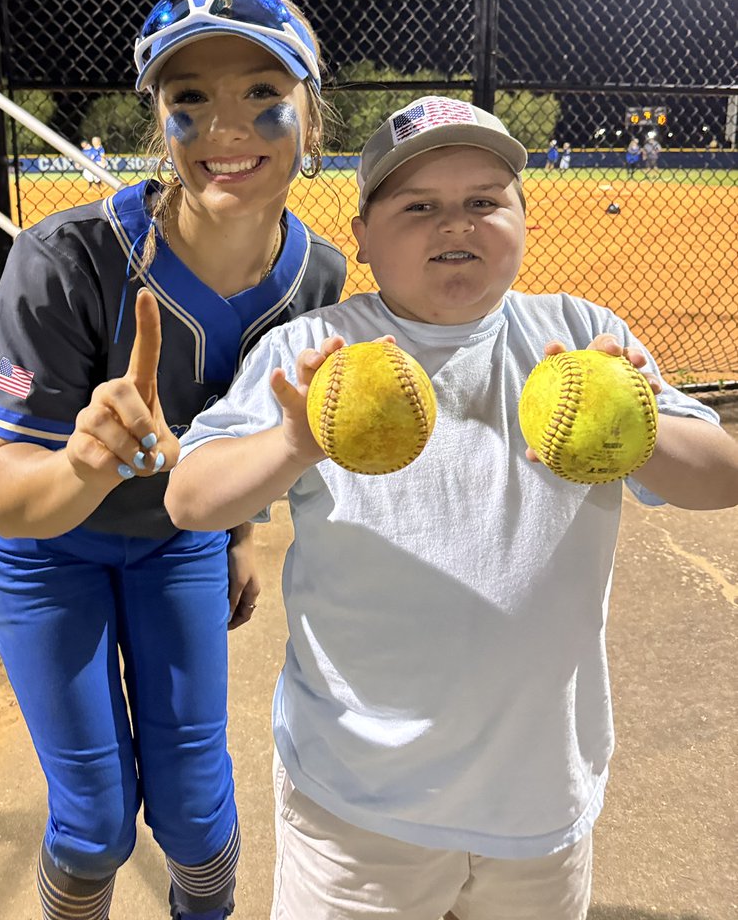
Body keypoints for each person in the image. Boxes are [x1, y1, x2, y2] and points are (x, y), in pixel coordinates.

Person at [165, 95, 738, 920]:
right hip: (358, 801)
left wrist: (639, 432)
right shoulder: (313, 351)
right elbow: (190, 497)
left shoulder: (584, 338)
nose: (455, 224)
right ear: (362, 238)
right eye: (418, 206)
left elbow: (721, 477)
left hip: (538, 794)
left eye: (484, 201)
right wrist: (292, 443)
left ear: (524, 221)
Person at [0, 0, 346, 920]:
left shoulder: (318, 276)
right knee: (94, 825)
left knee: (196, 815)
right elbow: (6, 501)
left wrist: (238, 534)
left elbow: (253, 431)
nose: (227, 126)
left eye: (263, 93)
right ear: (161, 124)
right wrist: (82, 465)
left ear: (311, 116)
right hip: (47, 549)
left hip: (177, 540)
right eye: (190, 99)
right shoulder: (65, 260)